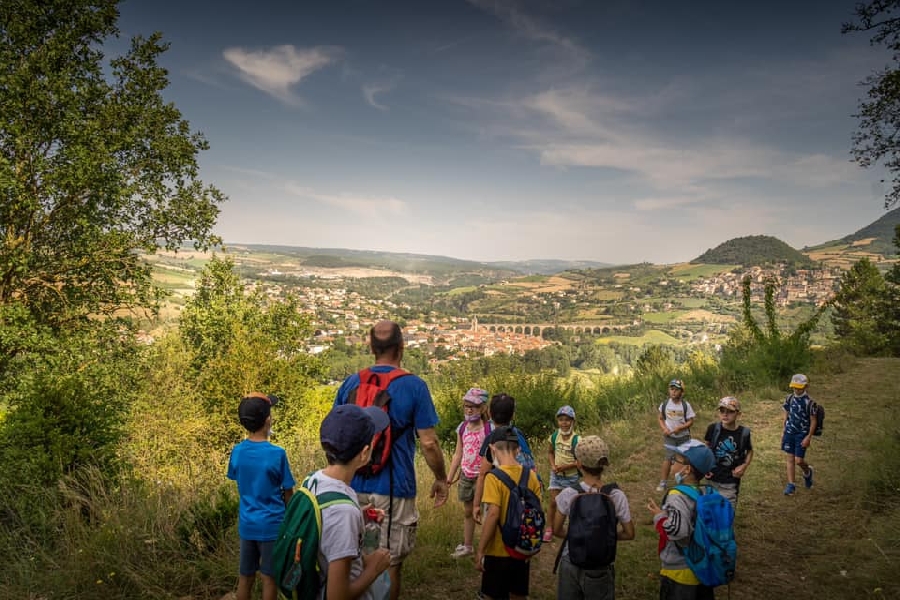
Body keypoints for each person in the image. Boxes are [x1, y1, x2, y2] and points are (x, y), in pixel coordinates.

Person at [333, 320, 449, 600]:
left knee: (351, 559)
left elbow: (335, 433)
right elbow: (429, 443)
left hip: (351, 485)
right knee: (390, 562)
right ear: (401, 347)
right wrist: (441, 478)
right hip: (395, 488)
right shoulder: (413, 386)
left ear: (371, 347)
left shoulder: (352, 381)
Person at [304, 404, 393, 600]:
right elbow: (338, 596)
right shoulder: (343, 512)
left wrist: (359, 518)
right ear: (364, 454)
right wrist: (374, 569)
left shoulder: (313, 480)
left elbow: (324, 523)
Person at [227, 393, 296, 600]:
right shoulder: (277, 454)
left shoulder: (237, 452)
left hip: (247, 525)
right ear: (268, 420)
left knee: (245, 578)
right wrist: (291, 524)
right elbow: (289, 493)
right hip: (272, 527)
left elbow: (236, 478)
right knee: (269, 578)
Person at [553, 436, 635, 600]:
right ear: (603, 465)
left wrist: (577, 537)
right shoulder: (615, 495)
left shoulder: (570, 493)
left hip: (571, 561)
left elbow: (556, 529)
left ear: (578, 464)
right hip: (600, 566)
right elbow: (630, 533)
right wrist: (604, 537)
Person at [475, 426, 543, 600]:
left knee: (492, 594)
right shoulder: (532, 477)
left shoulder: (493, 477)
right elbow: (538, 513)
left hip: (497, 551)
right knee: (517, 595)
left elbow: (493, 515)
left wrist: (481, 549)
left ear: (492, 449)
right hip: (521, 549)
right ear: (518, 449)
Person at [646, 439, 717, 600]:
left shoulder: (677, 496)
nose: (671, 463)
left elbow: (679, 531)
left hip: (680, 572)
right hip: (702, 566)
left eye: (675, 460)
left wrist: (659, 517)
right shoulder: (705, 492)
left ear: (687, 470)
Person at [472, 393, 537, 525]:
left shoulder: (492, 439)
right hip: (522, 494)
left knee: (496, 531)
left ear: (489, 413)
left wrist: (476, 505)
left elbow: (483, 474)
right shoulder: (517, 435)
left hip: (499, 495)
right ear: (513, 415)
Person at [447, 387, 492, 558]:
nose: (469, 409)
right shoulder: (462, 428)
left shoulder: (489, 429)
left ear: (482, 408)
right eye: (466, 406)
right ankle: (468, 546)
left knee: (487, 512)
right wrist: (449, 478)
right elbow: (458, 454)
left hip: (485, 477)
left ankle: (487, 548)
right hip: (466, 476)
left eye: (473, 406)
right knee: (468, 512)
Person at [703, 396, 753, 508]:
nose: (725, 414)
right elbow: (706, 447)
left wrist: (744, 465)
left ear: (738, 414)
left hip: (730, 482)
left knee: (727, 513)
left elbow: (749, 451)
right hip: (712, 479)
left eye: (730, 411)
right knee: (710, 511)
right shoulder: (712, 428)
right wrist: (705, 466)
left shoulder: (744, 433)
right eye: (722, 410)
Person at [546, 405, 579, 543]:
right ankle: (549, 528)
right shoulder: (554, 436)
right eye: (561, 420)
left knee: (571, 504)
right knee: (553, 502)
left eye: (567, 420)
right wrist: (553, 466)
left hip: (571, 477)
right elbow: (550, 452)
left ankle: (574, 529)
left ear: (573, 421)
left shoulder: (577, 439)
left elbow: (579, 462)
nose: (564, 423)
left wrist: (565, 467)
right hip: (556, 476)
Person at [656, 379, 696, 492]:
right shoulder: (664, 404)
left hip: (684, 437)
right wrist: (664, 429)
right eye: (671, 389)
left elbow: (691, 421)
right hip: (670, 437)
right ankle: (663, 482)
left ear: (682, 392)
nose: (673, 392)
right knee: (668, 458)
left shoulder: (685, 405)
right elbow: (660, 418)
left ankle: (685, 481)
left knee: (684, 459)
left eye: (676, 390)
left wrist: (680, 428)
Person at [781, 373, 817, 496]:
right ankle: (791, 485)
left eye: (799, 387)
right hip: (789, 432)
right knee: (790, 459)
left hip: (802, 434)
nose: (796, 390)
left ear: (806, 386)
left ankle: (808, 472)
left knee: (799, 460)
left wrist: (808, 436)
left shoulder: (810, 403)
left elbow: (813, 421)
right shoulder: (789, 398)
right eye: (794, 387)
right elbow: (786, 413)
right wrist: (784, 429)